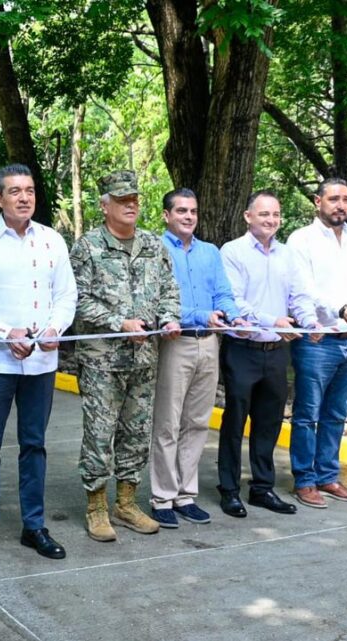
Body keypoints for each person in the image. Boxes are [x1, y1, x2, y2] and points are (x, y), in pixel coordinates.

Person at [0, 164, 77, 563]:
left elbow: (66, 295)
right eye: (14, 191)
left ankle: (34, 526)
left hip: (41, 362)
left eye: (29, 190)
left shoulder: (52, 241)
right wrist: (6, 332)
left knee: (35, 445)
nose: (24, 197)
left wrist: (55, 328)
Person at [70, 171, 181, 541]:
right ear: (104, 207)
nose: (130, 204)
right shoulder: (87, 247)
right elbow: (78, 300)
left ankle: (127, 502)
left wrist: (168, 318)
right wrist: (119, 322)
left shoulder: (152, 245)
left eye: (133, 198)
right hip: (102, 362)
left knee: (136, 434)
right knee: (100, 436)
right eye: (121, 200)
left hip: (144, 360)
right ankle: (97, 507)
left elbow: (169, 289)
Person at [218, 190, 320, 518]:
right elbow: (232, 301)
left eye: (276, 214)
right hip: (242, 349)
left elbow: (300, 295)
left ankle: (262, 488)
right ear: (248, 216)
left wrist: (309, 321)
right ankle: (229, 490)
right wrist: (271, 320)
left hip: (276, 352)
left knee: (269, 422)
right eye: (264, 214)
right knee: (234, 421)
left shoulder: (288, 255)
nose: (271, 220)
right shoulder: (232, 251)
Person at [149, 188, 244, 529]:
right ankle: (162, 497)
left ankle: (185, 495)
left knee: (198, 422)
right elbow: (159, 302)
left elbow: (223, 293)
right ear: (166, 215)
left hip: (210, 343)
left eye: (193, 211)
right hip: (176, 343)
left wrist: (235, 318)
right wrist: (202, 315)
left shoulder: (210, 252)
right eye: (181, 211)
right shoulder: (154, 250)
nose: (188, 217)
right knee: (168, 423)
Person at [284, 178, 347, 508]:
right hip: (317, 340)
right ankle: (305, 481)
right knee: (308, 414)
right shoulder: (301, 240)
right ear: (317, 201)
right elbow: (302, 289)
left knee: (337, 413)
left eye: (346, 200)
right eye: (333, 199)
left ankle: (327, 476)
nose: (340, 205)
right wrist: (339, 309)